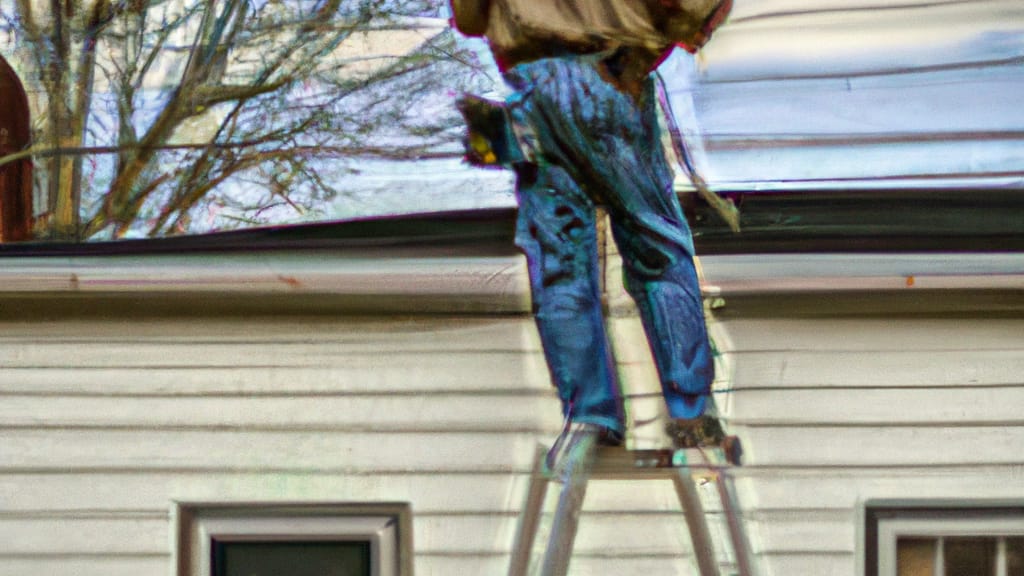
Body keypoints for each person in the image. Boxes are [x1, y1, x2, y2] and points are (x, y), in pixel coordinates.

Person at [452, 0, 733, 454]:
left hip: (532, 87)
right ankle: (691, 410)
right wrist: (652, 46)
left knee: (561, 261)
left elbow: (469, 16)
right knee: (655, 247)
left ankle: (589, 416)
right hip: (609, 73)